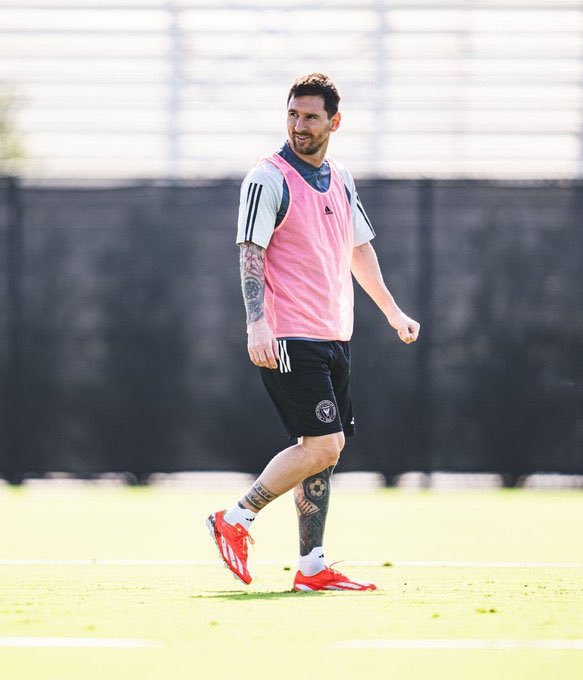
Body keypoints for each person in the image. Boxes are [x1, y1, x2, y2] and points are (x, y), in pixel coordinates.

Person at [206, 73, 419, 592]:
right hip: (287, 336)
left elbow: (357, 249)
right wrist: (257, 323)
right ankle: (235, 519)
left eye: (311, 117)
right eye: (293, 115)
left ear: (334, 122)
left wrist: (392, 311)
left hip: (333, 335)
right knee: (325, 444)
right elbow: (250, 252)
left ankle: (311, 567)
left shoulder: (341, 179)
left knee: (322, 448)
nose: (299, 126)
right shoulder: (267, 177)